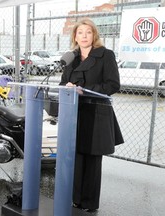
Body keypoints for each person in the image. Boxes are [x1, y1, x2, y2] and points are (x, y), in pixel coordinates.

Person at [59, 18, 124, 212]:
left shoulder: (105, 55)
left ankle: (89, 203)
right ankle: (75, 199)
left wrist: (83, 89)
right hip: (74, 112)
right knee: (76, 156)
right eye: (80, 33)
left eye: (88, 32)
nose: (84, 36)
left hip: (96, 113)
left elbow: (113, 84)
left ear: (94, 35)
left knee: (92, 159)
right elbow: (63, 83)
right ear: (75, 37)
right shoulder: (71, 58)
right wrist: (67, 88)